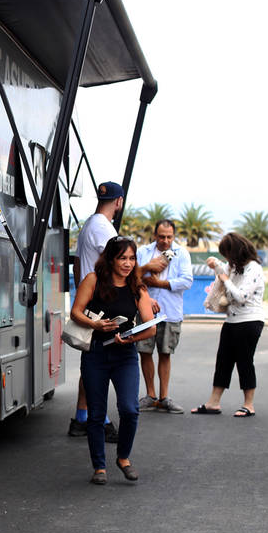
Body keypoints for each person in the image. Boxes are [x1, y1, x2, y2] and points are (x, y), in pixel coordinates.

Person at [71, 235, 157, 484]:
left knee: (130, 409)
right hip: (95, 353)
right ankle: (99, 467)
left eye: (131, 258)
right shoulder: (94, 280)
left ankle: (123, 458)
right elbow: (76, 312)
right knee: (96, 414)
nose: (128, 264)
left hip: (125, 356)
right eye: (122, 258)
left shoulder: (138, 288)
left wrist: (129, 340)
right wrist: (94, 324)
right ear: (111, 258)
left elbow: (150, 328)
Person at [69, 181, 126, 442]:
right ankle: (99, 419)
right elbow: (118, 263)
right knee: (101, 363)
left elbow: (78, 265)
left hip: (89, 295)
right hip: (101, 299)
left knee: (91, 360)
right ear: (119, 202)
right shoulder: (103, 227)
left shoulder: (88, 226)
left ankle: (82, 417)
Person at [190, 232, 265, 417]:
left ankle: (249, 404)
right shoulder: (233, 266)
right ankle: (213, 402)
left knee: (245, 361)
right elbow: (222, 271)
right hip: (231, 320)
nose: (226, 258)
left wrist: (224, 278)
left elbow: (241, 296)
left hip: (249, 320)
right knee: (223, 360)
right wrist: (216, 265)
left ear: (236, 252)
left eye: (227, 254)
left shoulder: (253, 268)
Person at [136, 219, 193, 413]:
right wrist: (147, 274)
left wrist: (160, 283)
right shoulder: (143, 252)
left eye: (169, 237)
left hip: (170, 312)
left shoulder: (181, 253)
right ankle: (150, 395)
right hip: (145, 311)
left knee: (165, 353)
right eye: (162, 237)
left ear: (174, 236)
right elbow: (132, 276)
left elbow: (187, 281)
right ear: (155, 236)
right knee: (144, 351)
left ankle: (164, 397)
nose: (165, 241)